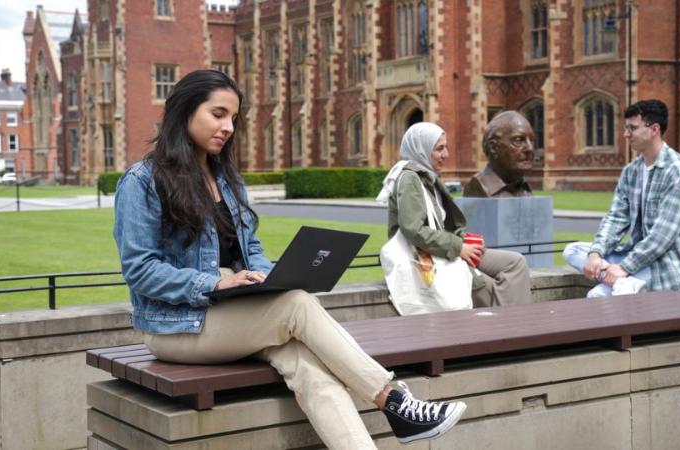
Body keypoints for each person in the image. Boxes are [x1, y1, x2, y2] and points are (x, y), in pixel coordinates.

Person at [112, 70, 466, 449]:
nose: (228, 127)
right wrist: (214, 282)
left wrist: (270, 276)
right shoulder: (143, 181)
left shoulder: (227, 179)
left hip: (232, 314)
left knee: (307, 365)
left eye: (233, 118)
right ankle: (394, 400)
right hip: (175, 326)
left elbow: (251, 247)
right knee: (297, 305)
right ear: (184, 112)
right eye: (218, 114)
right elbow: (140, 270)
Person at [563, 99, 680, 297]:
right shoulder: (631, 171)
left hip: (672, 263)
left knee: (596, 296)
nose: (626, 134)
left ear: (654, 129)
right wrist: (595, 253)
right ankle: (626, 282)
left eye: (632, 128)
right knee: (572, 250)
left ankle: (625, 280)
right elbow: (616, 218)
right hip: (639, 257)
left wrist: (625, 266)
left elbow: (663, 236)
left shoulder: (679, 172)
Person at [377, 122, 532, 307]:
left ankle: (512, 323)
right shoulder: (410, 179)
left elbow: (441, 224)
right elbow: (413, 230)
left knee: (516, 263)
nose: (446, 154)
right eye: (439, 149)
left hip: (446, 249)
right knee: (492, 288)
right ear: (421, 149)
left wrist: (464, 239)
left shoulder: (427, 175)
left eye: (446, 147)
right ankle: (510, 327)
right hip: (430, 259)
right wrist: (459, 247)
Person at [464, 110, 535, 198]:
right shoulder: (479, 187)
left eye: (531, 140)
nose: (530, 148)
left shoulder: (524, 190)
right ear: (493, 147)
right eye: (518, 140)